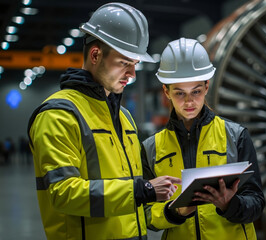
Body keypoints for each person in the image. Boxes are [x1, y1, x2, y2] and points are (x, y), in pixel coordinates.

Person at [27, 3, 180, 239]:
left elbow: (133, 203)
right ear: (96, 55)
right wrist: (144, 189)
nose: (132, 74)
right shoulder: (58, 115)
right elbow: (63, 193)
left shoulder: (124, 117)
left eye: (135, 64)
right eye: (124, 63)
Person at [141, 38, 265, 240]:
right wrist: (174, 212)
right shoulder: (151, 148)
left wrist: (229, 205)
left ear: (207, 87)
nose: (189, 101)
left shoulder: (236, 136)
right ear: (166, 92)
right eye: (180, 93)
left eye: (196, 91)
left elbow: (256, 204)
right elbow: (145, 215)